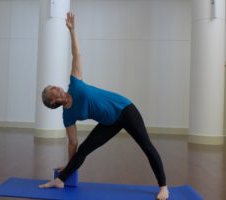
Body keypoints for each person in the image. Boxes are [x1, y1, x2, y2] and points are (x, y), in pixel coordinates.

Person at [38, 12, 169, 200]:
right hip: (109, 122)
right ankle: (60, 181)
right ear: (52, 102)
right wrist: (68, 168)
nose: (57, 88)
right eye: (53, 91)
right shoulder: (67, 115)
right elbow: (73, 143)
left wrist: (72, 30)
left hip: (125, 109)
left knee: (146, 146)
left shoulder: (74, 83)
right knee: (84, 149)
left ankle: (163, 186)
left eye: (55, 86)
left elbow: (77, 53)